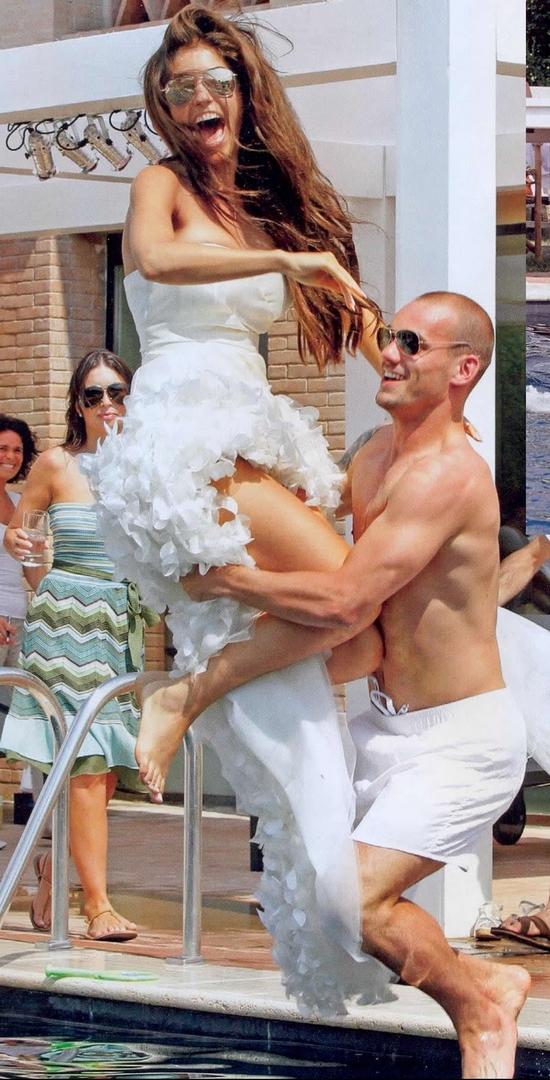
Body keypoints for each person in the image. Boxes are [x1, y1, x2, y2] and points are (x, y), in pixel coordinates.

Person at [134, 292, 531, 1079]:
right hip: (383, 725)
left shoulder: (448, 476)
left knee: (351, 899)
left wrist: (225, 579)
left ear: (463, 370)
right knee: (325, 905)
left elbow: (347, 601)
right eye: (390, 337)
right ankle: (483, 992)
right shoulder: (379, 453)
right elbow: (322, 551)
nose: (390, 352)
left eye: (411, 342)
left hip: (461, 741)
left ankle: (482, 1005)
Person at [82, 3, 386, 693]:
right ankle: (188, 693)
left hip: (250, 421)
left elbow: (360, 317)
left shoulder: (270, 207)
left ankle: (206, 695)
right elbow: (155, 259)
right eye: (180, 89)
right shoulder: (160, 184)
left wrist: (428, 385)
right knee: (349, 593)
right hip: (187, 427)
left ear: (244, 93)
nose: (200, 98)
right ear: (165, 107)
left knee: (354, 637)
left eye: (216, 81)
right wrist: (281, 262)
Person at [1, 349, 155, 943]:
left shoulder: (145, 466)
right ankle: (97, 905)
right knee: (86, 767)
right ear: (79, 405)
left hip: (119, 627)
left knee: (104, 774)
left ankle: (52, 872)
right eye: (94, 395)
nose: (107, 404)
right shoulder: (56, 465)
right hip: (64, 624)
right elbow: (21, 531)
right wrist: (23, 549)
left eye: (117, 392)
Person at [0, 415, 38, 722]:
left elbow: (30, 567)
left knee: (12, 719)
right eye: (2, 448)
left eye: (17, 450)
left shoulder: (19, 502)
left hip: (19, 621)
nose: (10, 457)